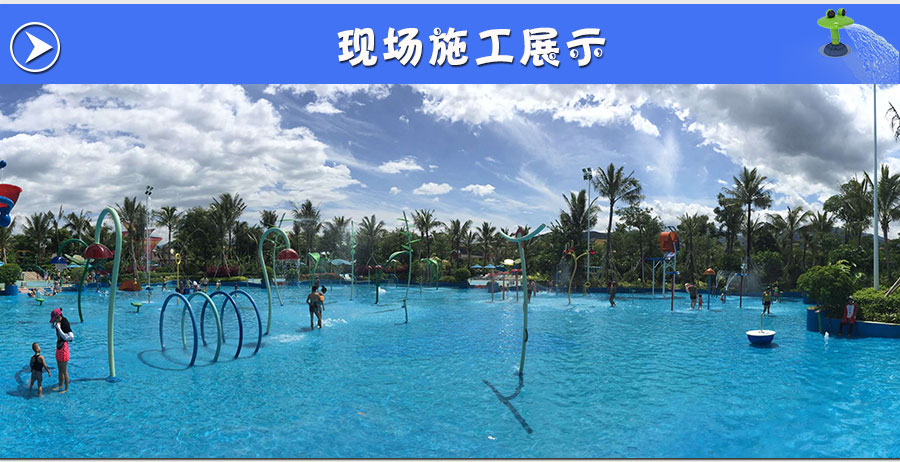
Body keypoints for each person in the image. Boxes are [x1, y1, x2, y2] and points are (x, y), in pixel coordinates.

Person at [50, 308, 74, 393]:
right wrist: (54, 323)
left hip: (63, 347)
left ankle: (66, 389)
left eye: (55, 319)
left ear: (59, 316)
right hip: (58, 346)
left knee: (64, 370)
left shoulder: (64, 322)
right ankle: (60, 385)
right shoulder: (58, 322)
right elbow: (52, 326)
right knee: (60, 369)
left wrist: (59, 328)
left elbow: (70, 337)